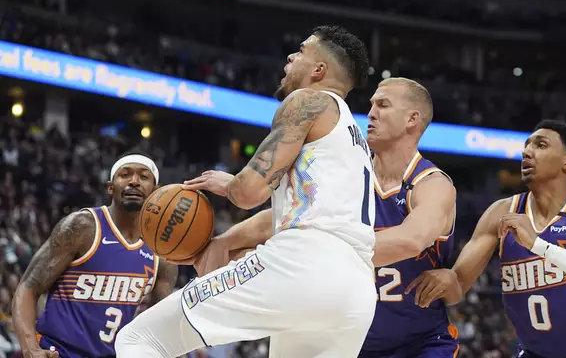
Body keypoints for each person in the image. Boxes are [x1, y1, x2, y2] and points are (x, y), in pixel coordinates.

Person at [115, 25, 377, 358]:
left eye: (301, 50)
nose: (290, 56)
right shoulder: (355, 141)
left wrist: (230, 183)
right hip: (358, 291)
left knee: (139, 340)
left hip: (305, 264)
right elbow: (288, 211)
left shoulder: (308, 101)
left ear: (319, 70)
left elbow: (250, 192)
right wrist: (227, 243)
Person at [411, 120, 566, 358]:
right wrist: (445, 279)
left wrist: (540, 246)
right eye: (527, 145)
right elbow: (457, 288)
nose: (527, 151)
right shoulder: (501, 212)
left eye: (540, 145)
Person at [12, 152, 178, 358]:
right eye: (125, 175)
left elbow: (165, 321)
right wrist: (30, 348)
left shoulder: (162, 253)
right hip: (58, 352)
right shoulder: (83, 226)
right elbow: (27, 289)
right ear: (111, 187)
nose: (134, 181)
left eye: (143, 177)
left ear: (156, 190)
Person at [357, 78, 459, 358]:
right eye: (371, 105)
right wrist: (228, 239)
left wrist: (323, 248)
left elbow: (412, 240)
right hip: (352, 342)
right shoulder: (352, 174)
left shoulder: (431, 184)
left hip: (420, 345)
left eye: (383, 105)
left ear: (412, 119)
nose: (371, 113)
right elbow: (291, 216)